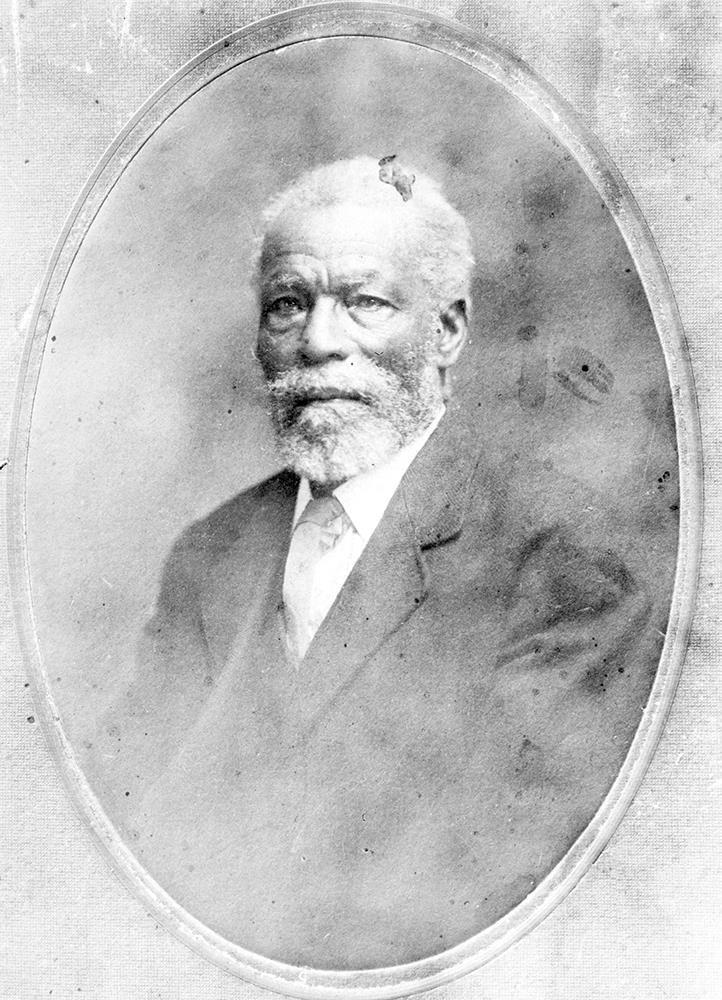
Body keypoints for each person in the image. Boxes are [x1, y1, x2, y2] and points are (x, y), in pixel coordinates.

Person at [98, 157, 668, 969]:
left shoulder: (564, 551)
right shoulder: (211, 554)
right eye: (288, 305)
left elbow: (503, 875)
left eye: (364, 303)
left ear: (447, 332)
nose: (319, 342)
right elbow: (122, 808)